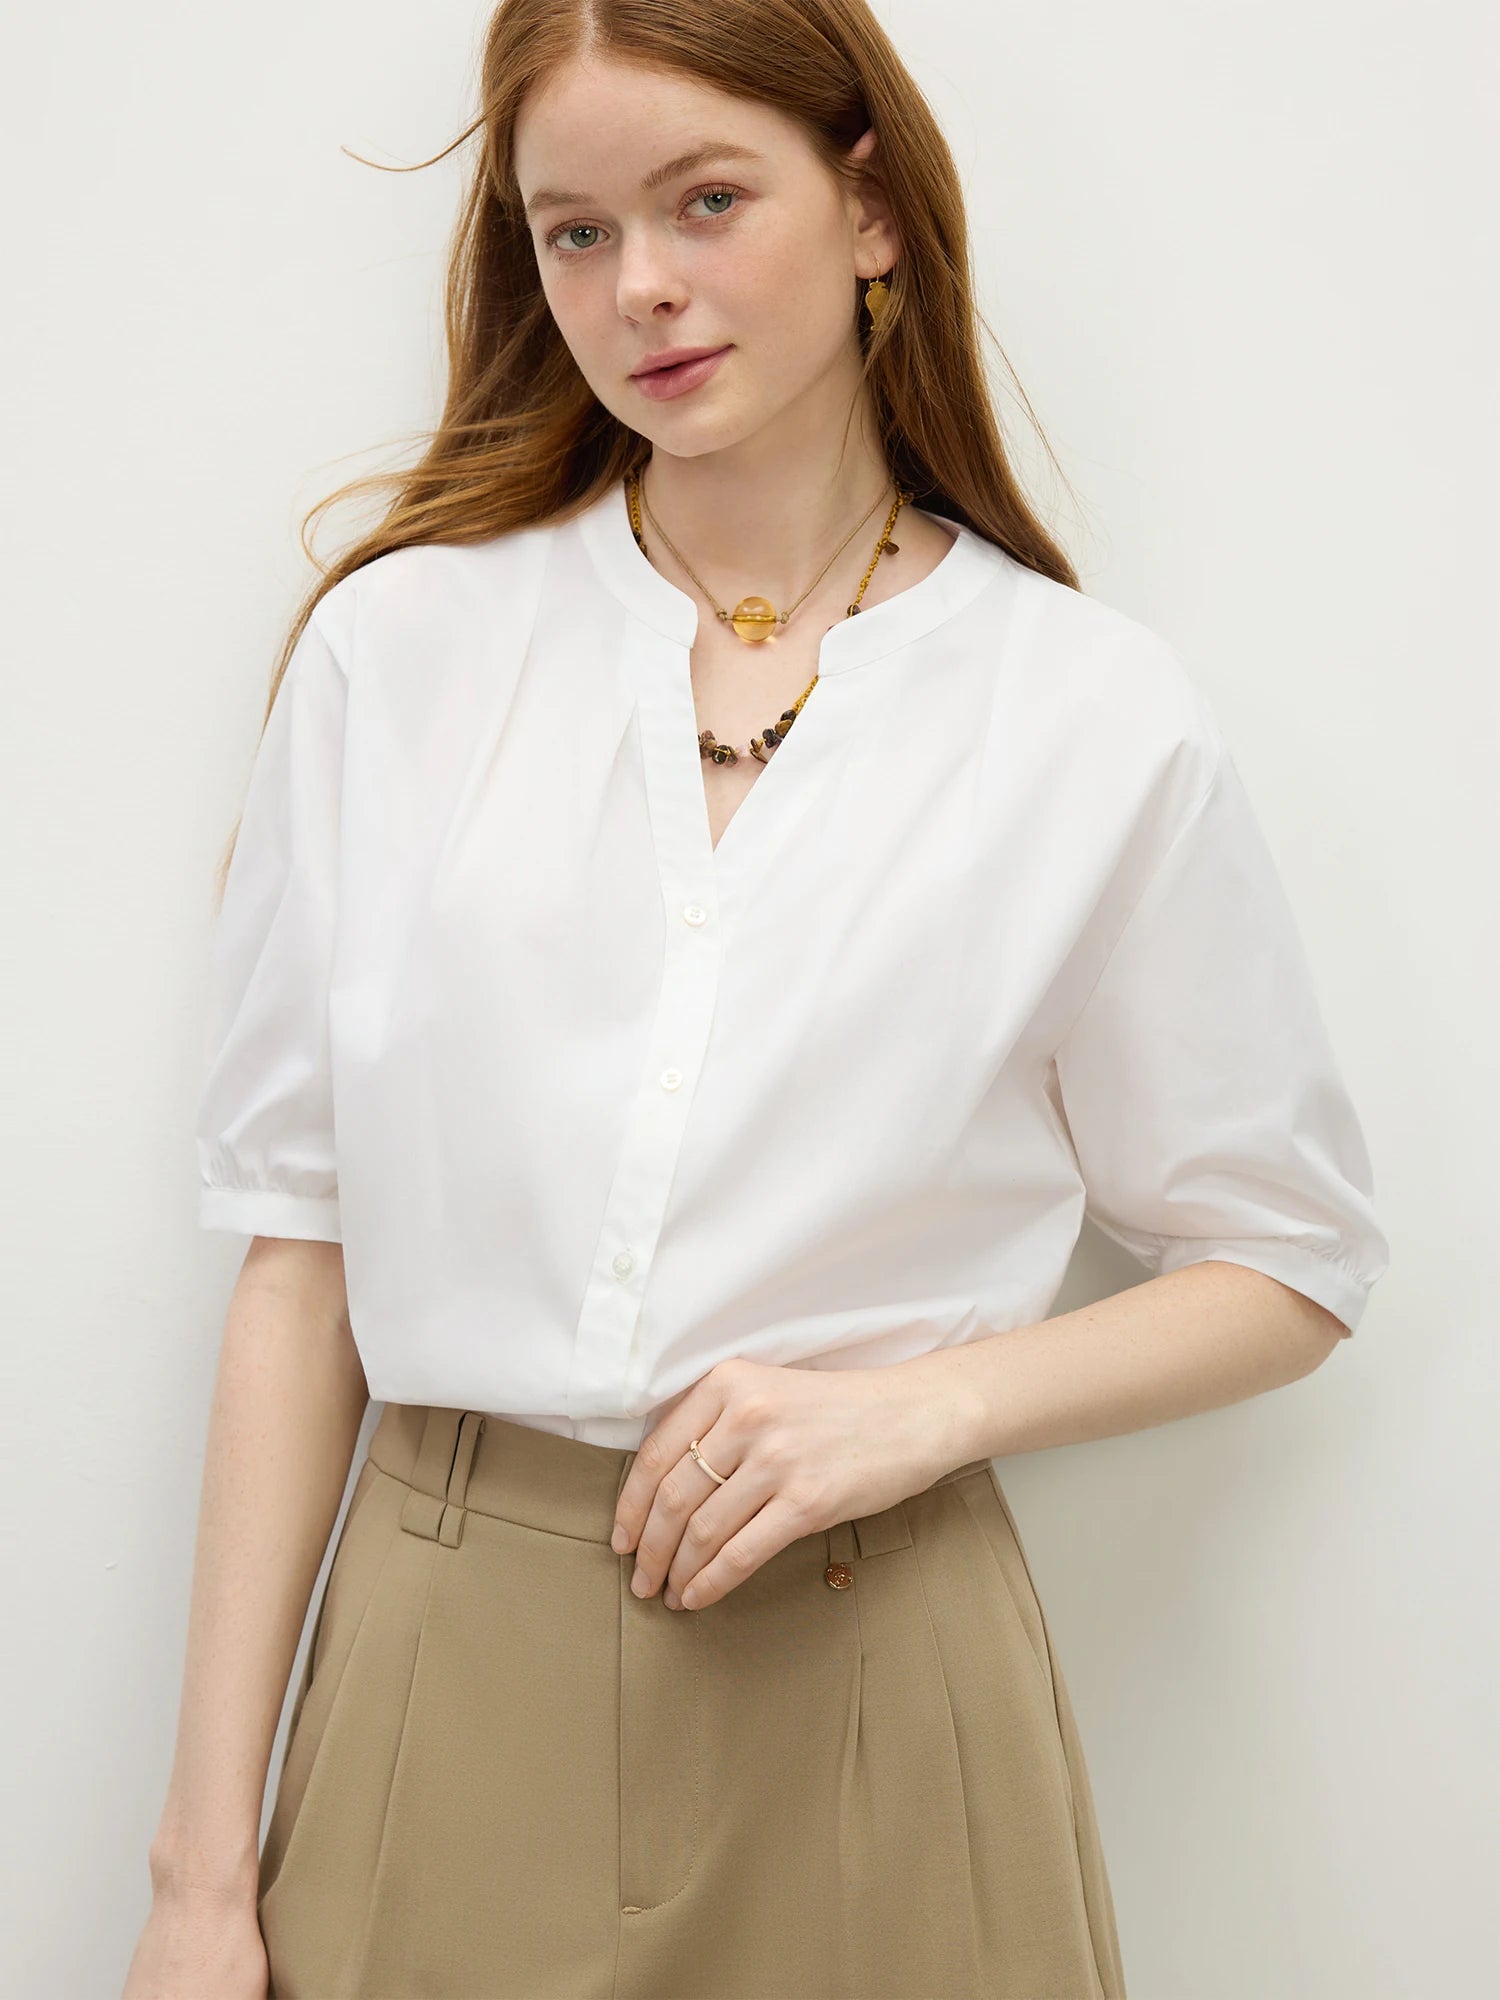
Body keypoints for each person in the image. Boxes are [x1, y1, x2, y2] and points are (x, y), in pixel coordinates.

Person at [125, 2, 1390, 1996]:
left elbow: (1291, 1254)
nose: (639, 285)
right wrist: (200, 1879)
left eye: (707, 201)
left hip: (882, 1673)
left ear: (870, 206)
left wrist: (925, 1409)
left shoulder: (1086, 716)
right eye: (575, 231)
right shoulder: (402, 656)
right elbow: (299, 1262)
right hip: (444, 1661)